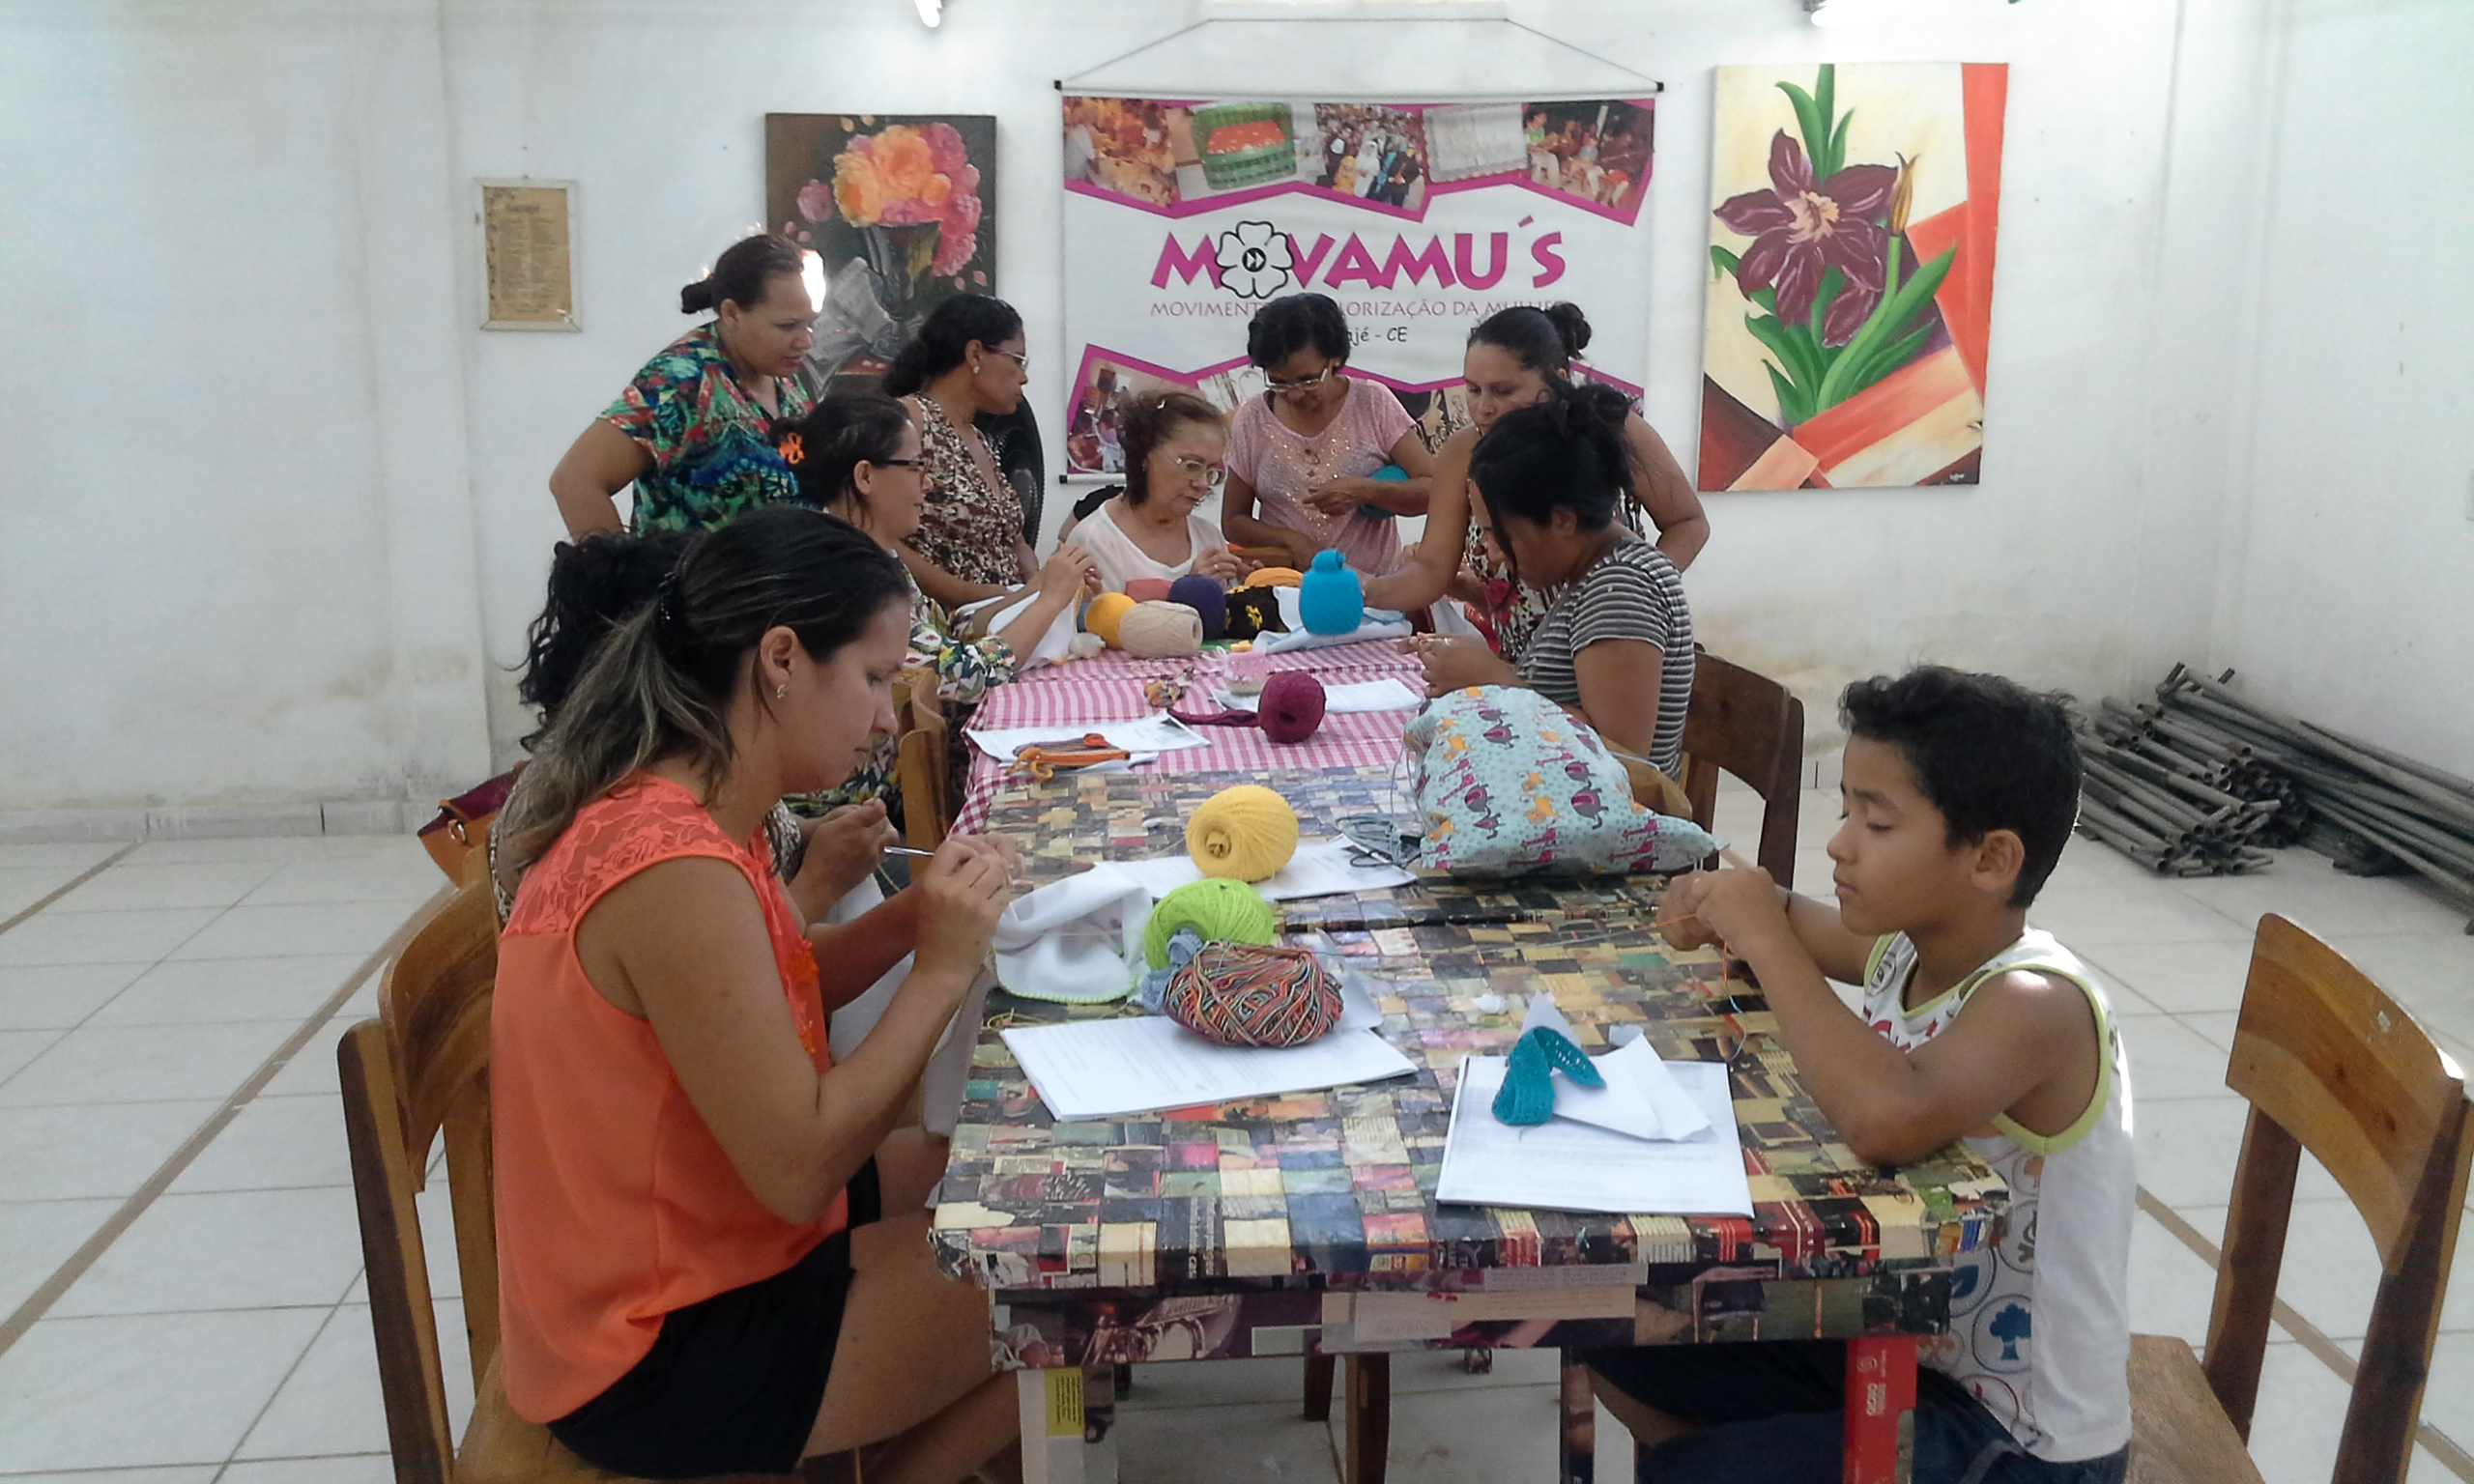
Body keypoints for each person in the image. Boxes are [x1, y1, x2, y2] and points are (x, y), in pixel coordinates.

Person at [489, 507, 1020, 1483]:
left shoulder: (682, 808)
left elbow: (779, 981)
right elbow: (800, 1167)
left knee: (1005, 1169)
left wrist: (916, 916)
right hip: (650, 1346)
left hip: (701, 1232)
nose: (883, 716)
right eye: (872, 679)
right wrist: (941, 972)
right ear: (780, 659)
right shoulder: (672, 867)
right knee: (1066, 1269)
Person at [1593, 668, 2129, 1484]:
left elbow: (1887, 1117)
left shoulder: (2038, 1004)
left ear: (1991, 860)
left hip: (2023, 1438)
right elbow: (1775, 910)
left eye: (1876, 823)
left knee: (1703, 1474)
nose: (1840, 844)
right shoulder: (1907, 949)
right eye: (1846, 811)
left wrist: (1763, 935)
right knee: (1610, 1328)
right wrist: (1717, 898)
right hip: (1894, 1340)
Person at [493, 529, 896, 923]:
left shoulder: (708, 781)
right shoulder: (659, 834)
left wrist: (817, 836)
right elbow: (752, 948)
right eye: (874, 678)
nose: (888, 721)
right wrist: (820, 883)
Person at [788, 391, 1098, 812]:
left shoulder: (873, 553)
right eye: (916, 466)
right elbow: (966, 674)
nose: (928, 483)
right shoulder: (839, 573)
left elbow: (948, 633)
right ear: (865, 477)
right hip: (851, 810)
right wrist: (1051, 600)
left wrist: (1037, 590)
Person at [1363, 302, 1709, 661]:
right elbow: (1433, 568)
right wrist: (1367, 590)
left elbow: (1688, 523)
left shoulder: (1609, 429)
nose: (1484, 407)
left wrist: (1633, 594)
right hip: (1523, 669)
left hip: (1614, 653)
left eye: (1503, 391)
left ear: (1556, 379)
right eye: (1474, 390)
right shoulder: (1462, 452)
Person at [1407, 385, 1693, 774]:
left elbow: (1624, 755)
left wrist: (1493, 680)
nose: (1492, 554)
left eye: (1498, 533)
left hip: (1610, 811)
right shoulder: (1595, 576)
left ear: (1562, 520)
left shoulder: (1622, 588)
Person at [548, 234, 816, 537]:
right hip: (696, 568)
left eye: (809, 324)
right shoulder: (680, 379)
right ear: (732, 313)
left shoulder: (783, 376)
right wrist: (620, 566)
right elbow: (575, 481)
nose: (805, 341)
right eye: (787, 326)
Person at [1223, 293, 1435, 577]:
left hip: (1375, 590)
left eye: (1307, 380)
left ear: (1335, 359)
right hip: (1287, 588)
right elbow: (1233, 520)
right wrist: (1288, 540)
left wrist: (1365, 490)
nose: (1295, 394)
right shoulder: (1253, 419)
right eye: (1279, 383)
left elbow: (1433, 489)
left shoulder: (1372, 403)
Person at [882, 294, 1039, 608]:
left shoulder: (978, 438)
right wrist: (965, 594)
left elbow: (1015, 540)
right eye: (1017, 360)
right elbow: (877, 536)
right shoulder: (910, 420)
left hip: (1004, 616)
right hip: (942, 622)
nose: (1024, 377)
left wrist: (1041, 590)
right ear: (975, 353)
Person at [1067, 391, 1252, 591]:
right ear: (1145, 455)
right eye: (1192, 466)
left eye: (1211, 471)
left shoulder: (1208, 536)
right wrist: (1190, 588)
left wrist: (1250, 586)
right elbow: (1104, 612)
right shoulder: (1095, 540)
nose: (1203, 483)